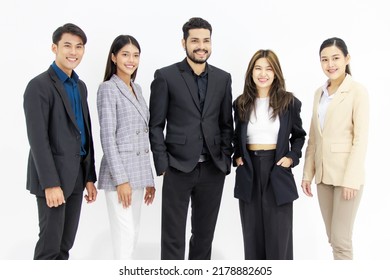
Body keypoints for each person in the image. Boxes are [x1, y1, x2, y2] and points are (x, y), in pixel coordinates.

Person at [149, 17, 233, 260]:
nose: (201, 46)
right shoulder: (166, 76)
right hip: (177, 167)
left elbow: (226, 123)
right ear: (183, 42)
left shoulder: (222, 78)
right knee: (173, 236)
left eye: (206, 41)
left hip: (213, 168)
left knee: (204, 236)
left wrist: (225, 159)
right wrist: (163, 164)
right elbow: (155, 125)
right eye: (195, 40)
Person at [23, 23, 97, 260]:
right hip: (53, 179)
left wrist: (88, 177)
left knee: (65, 246)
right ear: (54, 48)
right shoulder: (39, 86)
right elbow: (38, 139)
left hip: (76, 176)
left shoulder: (80, 86)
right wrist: (50, 183)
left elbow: (85, 132)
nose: (73, 52)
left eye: (79, 47)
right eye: (67, 45)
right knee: (49, 247)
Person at [233, 49, 306, 260]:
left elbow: (299, 136)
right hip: (249, 171)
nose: (262, 73)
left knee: (278, 240)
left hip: (277, 170)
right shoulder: (241, 103)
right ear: (251, 72)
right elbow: (236, 135)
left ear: (276, 73)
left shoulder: (289, 102)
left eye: (268, 69)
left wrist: (291, 157)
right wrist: (237, 156)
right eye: (258, 68)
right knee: (252, 238)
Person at [301, 37, 369, 260]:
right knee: (332, 237)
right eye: (324, 59)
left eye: (336, 58)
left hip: (346, 177)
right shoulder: (318, 93)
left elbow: (361, 139)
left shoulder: (358, 91)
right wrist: (307, 174)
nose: (330, 64)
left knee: (341, 241)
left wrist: (351, 179)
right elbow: (314, 138)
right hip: (323, 176)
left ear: (347, 59)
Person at [96, 35, 155, 260]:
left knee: (134, 232)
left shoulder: (137, 88)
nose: (131, 60)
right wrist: (121, 180)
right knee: (125, 235)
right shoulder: (108, 89)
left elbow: (142, 137)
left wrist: (149, 179)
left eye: (135, 55)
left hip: (139, 174)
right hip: (119, 177)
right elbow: (107, 137)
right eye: (125, 54)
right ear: (113, 57)